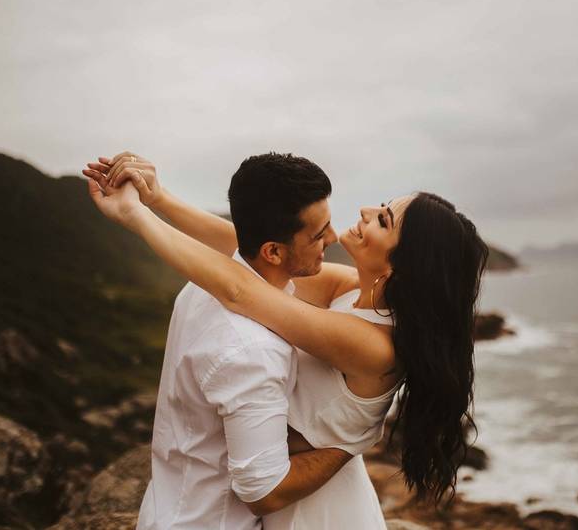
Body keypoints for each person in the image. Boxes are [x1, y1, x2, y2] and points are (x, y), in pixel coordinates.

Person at [85, 150, 488, 527]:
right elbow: (251, 251)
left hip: (318, 511)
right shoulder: (350, 288)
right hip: (284, 493)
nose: (365, 211)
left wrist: (135, 217)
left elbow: (241, 291)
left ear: (404, 265)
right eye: (382, 205)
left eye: (383, 220)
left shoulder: (372, 345)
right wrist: (160, 200)